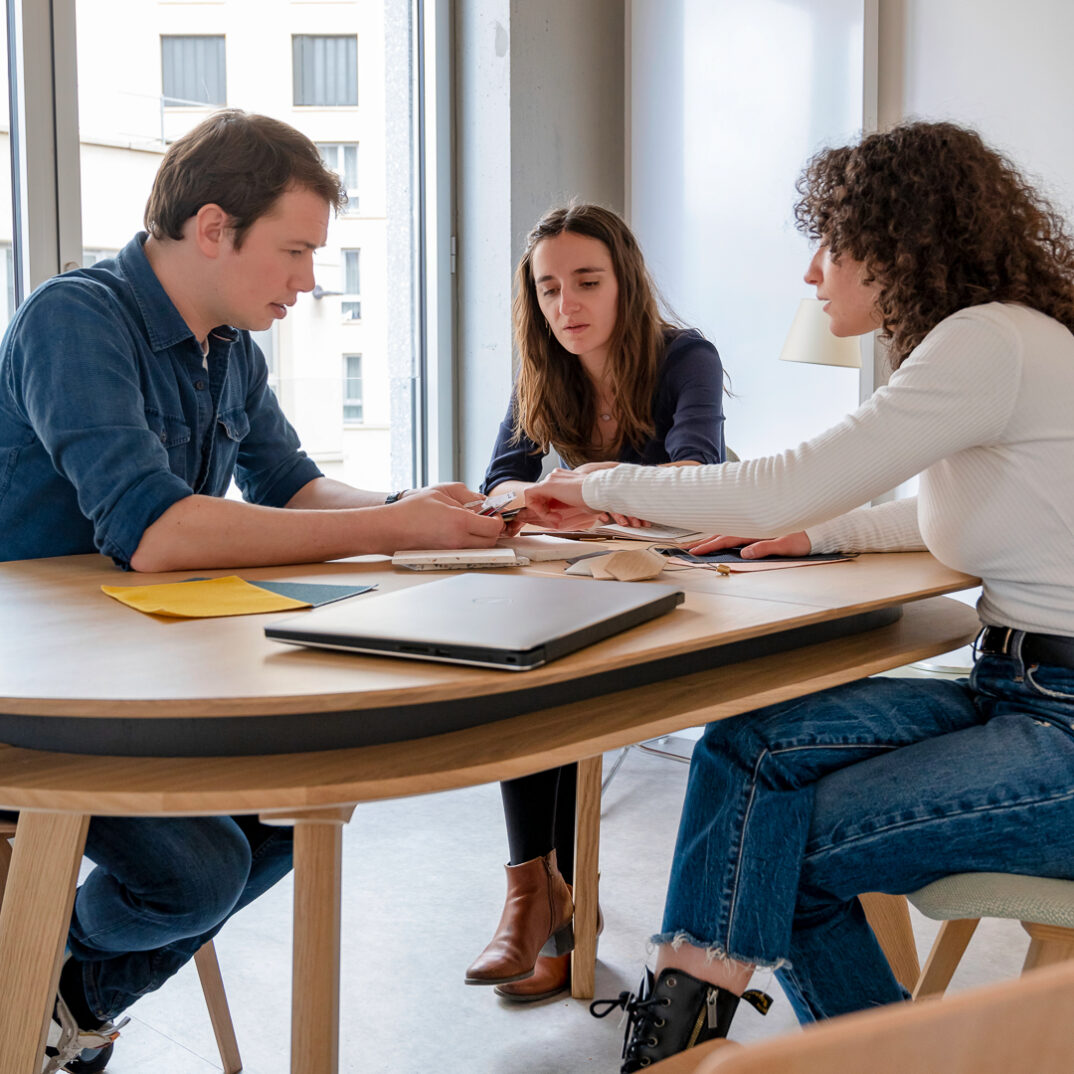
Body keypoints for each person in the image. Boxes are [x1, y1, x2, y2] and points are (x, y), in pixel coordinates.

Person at [524, 121, 1074, 1069]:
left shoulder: (986, 342)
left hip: (1060, 724)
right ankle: (683, 1039)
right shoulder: (1000, 339)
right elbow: (970, 508)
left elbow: (782, 476)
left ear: (898, 244)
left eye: (831, 243)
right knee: (747, 746)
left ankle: (691, 1046)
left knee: (775, 856)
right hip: (1018, 693)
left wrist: (597, 482)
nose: (813, 273)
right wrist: (818, 535)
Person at [0, 109, 504, 1073]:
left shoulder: (230, 345)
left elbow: (294, 487)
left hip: (134, 674)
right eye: (296, 251)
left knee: (306, 802)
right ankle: (46, 1001)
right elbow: (153, 535)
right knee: (202, 872)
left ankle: (55, 1003)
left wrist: (423, 511)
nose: (309, 281)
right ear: (214, 228)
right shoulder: (74, 319)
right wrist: (395, 530)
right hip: (37, 698)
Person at [466, 203, 725, 1002]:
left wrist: (578, 494)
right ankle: (539, 899)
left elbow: (699, 476)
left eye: (586, 282)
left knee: (564, 680)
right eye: (547, 289)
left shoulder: (686, 357)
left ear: (625, 283)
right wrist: (526, 494)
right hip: (590, 575)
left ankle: (552, 913)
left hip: (692, 576)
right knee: (526, 668)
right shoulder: (544, 367)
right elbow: (499, 480)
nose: (565, 306)